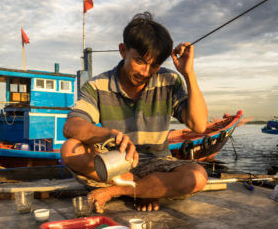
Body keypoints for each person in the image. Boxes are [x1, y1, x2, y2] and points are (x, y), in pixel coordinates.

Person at [61, 12, 208, 213]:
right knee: (70, 149)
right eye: (139, 61)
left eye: (154, 65)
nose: (146, 73)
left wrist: (188, 73)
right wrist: (110, 135)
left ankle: (119, 191)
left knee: (198, 176)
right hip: (115, 163)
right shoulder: (97, 84)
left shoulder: (170, 81)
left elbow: (199, 125)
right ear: (123, 51)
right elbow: (71, 126)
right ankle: (147, 189)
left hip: (157, 163)